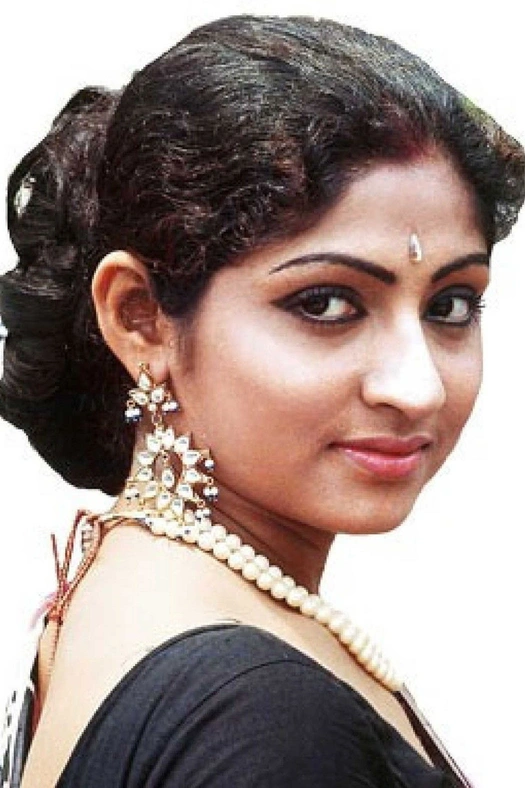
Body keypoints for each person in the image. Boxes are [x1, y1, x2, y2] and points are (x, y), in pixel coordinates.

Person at [0, 13, 523, 788]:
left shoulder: (120, 583)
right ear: (139, 318)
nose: (417, 387)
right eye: (324, 303)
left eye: (449, 305)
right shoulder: (265, 722)